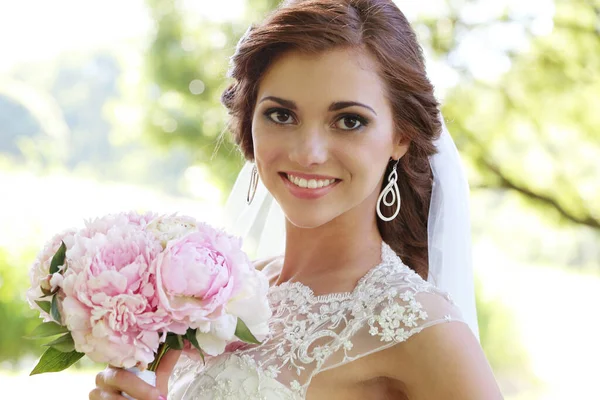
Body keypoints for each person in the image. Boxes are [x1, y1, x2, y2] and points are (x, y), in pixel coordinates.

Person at [90, 0, 503, 398]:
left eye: (349, 121)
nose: (308, 153)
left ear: (400, 136)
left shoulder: (421, 327)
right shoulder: (223, 292)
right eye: (281, 115)